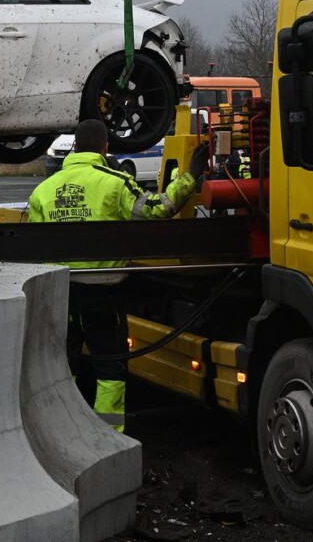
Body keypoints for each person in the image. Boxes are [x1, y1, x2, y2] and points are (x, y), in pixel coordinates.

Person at [28, 118, 210, 432]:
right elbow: (157, 209)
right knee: (109, 365)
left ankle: (60, 432)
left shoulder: (44, 191)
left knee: (63, 363)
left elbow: (33, 249)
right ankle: (108, 437)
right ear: (105, 148)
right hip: (104, 292)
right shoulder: (115, 182)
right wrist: (191, 176)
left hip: (61, 295)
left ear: (73, 147)